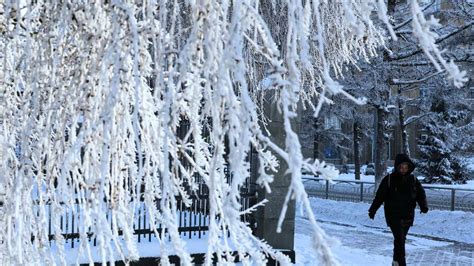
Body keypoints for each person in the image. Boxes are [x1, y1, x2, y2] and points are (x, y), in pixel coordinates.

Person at [368, 154, 428, 266]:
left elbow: (420, 194)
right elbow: (380, 196)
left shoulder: (413, 179)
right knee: (400, 240)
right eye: (401, 167)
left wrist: (423, 206)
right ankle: (402, 263)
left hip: (408, 215)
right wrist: (373, 210)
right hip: (393, 215)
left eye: (406, 168)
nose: (403, 170)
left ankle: (396, 261)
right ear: (397, 167)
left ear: (409, 168)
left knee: (400, 240)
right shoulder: (389, 179)